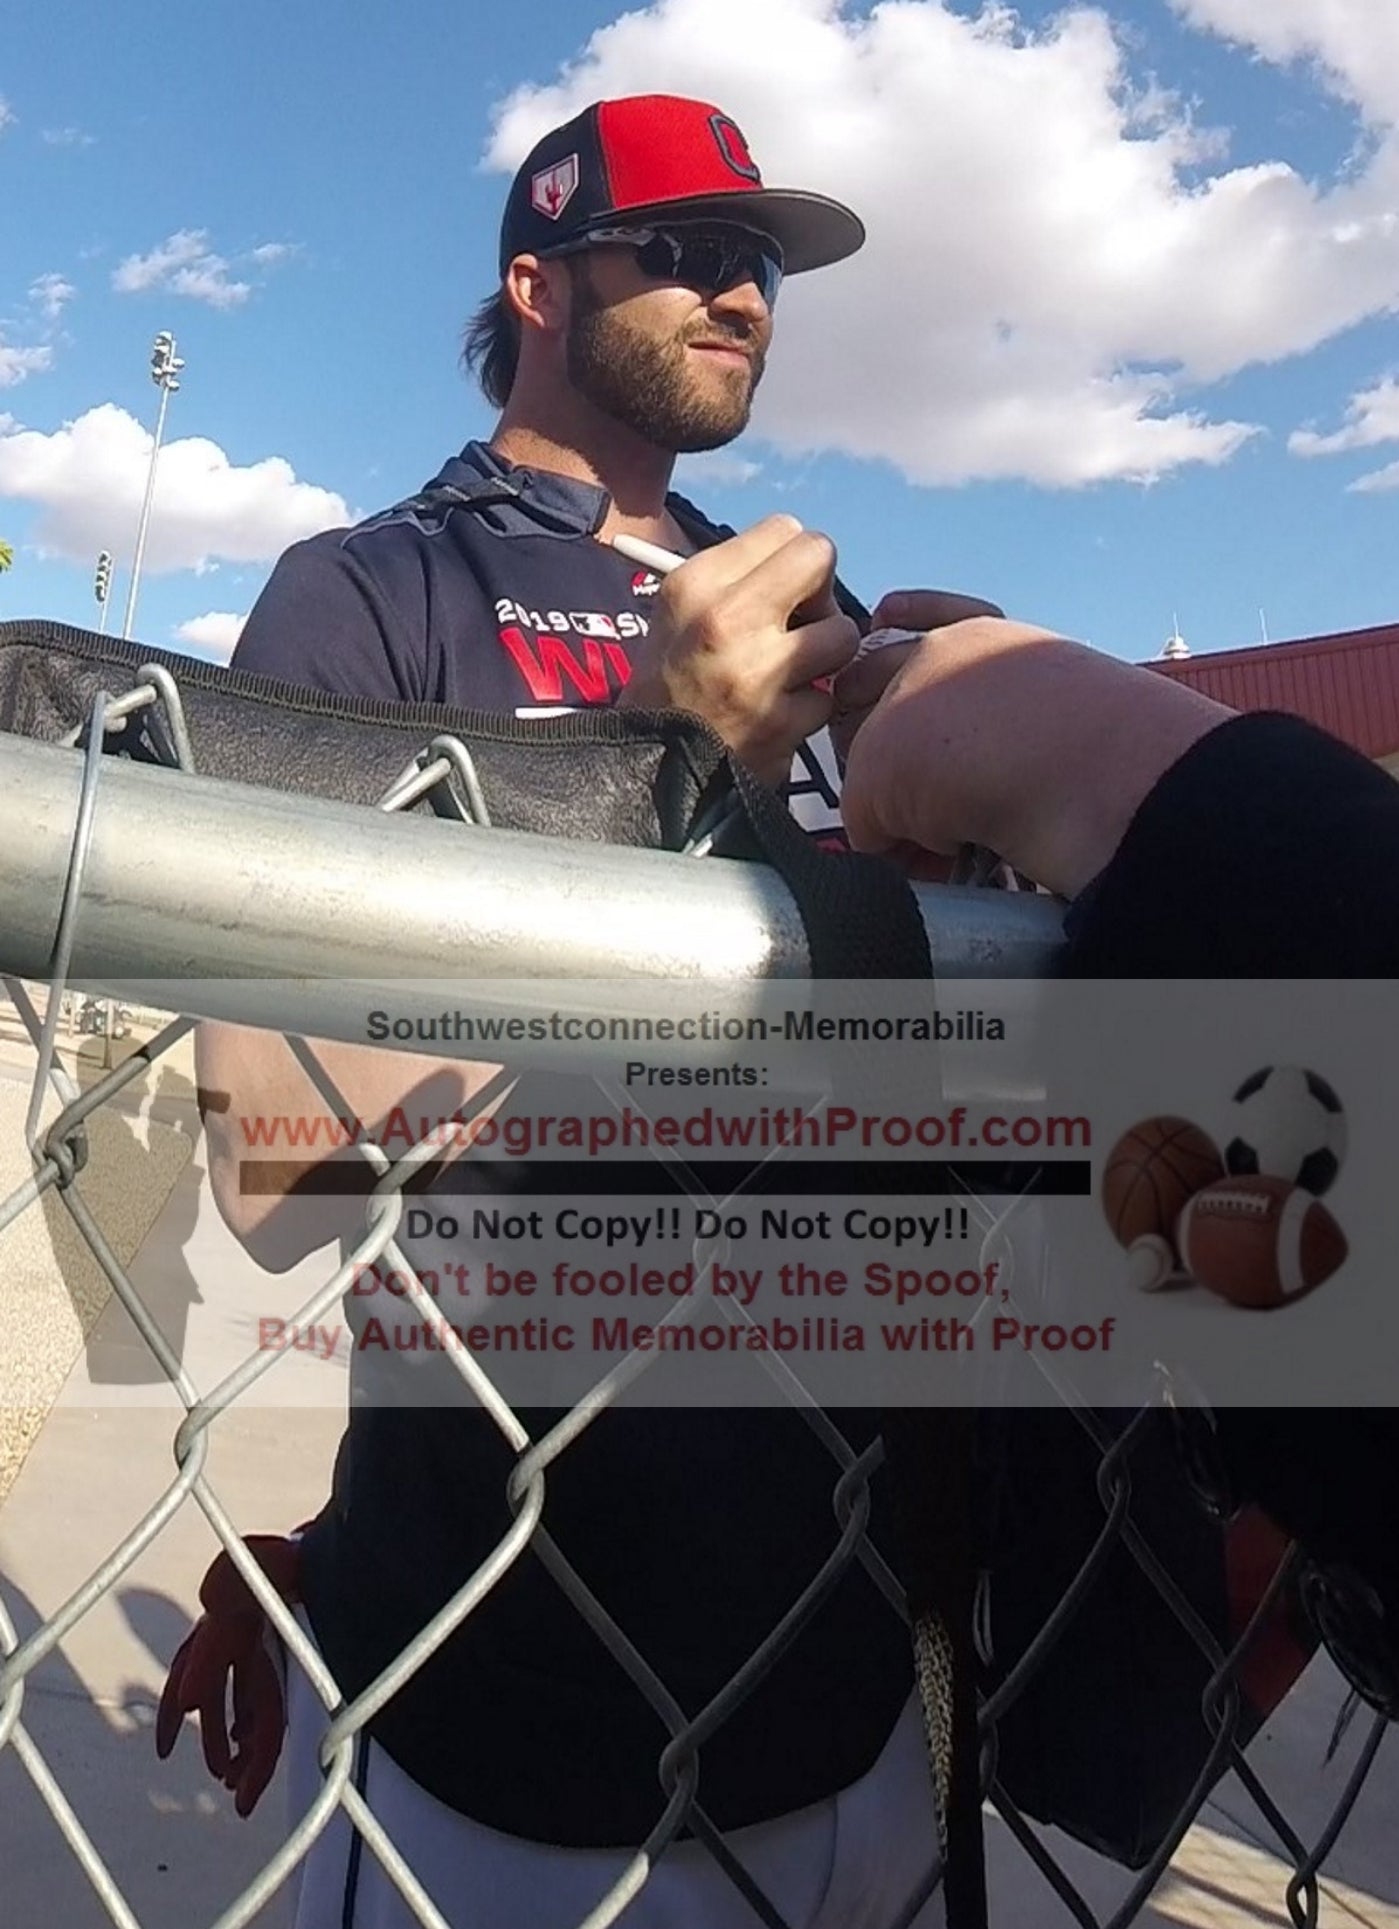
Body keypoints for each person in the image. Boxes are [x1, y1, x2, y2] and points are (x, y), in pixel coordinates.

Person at [173, 95, 988, 1929]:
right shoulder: (372, 593)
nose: (744, 295)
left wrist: (969, 843)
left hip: (873, 1673)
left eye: (760, 263)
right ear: (538, 282)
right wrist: (654, 768)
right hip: (518, 1715)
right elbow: (276, 1172)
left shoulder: (810, 606)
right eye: (686, 251)